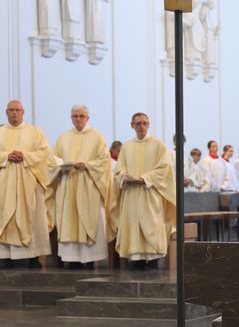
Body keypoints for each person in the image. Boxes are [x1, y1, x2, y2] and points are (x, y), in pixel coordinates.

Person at [50, 105, 110, 270]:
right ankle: (73, 259)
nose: (78, 119)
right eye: (75, 116)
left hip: (88, 186)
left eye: (81, 116)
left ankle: (89, 259)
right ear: (71, 118)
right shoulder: (63, 138)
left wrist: (88, 165)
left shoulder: (97, 137)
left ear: (87, 118)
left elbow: (105, 161)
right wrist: (61, 166)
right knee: (69, 220)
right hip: (68, 185)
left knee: (87, 220)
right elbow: (52, 159)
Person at [113, 112, 175, 270]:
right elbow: (119, 170)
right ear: (132, 125)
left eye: (145, 123)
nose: (142, 126)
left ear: (149, 125)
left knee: (152, 224)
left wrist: (145, 178)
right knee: (133, 224)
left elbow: (165, 169)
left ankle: (152, 258)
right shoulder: (127, 146)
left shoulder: (158, 145)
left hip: (150, 192)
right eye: (138, 123)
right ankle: (136, 258)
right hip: (132, 194)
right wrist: (124, 177)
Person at [0, 100, 51, 269]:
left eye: (17, 110)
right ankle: (5, 256)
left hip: (29, 182)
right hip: (5, 184)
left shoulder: (35, 132)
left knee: (33, 217)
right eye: (11, 110)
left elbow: (43, 153)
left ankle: (33, 257)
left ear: (23, 112)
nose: (14, 113)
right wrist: (7, 156)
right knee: (4, 216)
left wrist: (24, 156)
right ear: (6, 113)